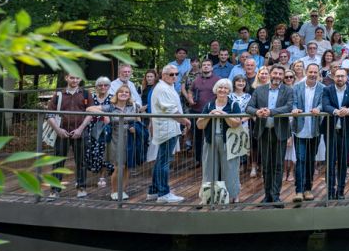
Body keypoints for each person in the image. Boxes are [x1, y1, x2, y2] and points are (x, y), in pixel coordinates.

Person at [247, 64, 294, 204]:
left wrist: (271, 112)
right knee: (266, 165)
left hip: (280, 132)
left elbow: (289, 107)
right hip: (264, 132)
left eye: (280, 74)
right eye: (275, 73)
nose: (277, 76)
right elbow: (248, 107)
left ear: (283, 76)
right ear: (270, 74)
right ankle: (267, 195)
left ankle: (276, 195)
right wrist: (257, 112)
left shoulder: (288, 90)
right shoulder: (259, 90)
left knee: (278, 165)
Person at [147, 63, 191, 204]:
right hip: (166, 129)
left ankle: (154, 191)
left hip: (168, 128)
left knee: (161, 160)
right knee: (164, 162)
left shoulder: (167, 87)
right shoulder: (162, 89)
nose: (174, 77)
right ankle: (163, 193)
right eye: (171, 74)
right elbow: (171, 110)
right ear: (163, 75)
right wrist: (186, 121)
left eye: (176, 74)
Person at [197, 78, 244, 203]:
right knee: (208, 169)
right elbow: (199, 124)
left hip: (228, 141)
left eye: (225, 88)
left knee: (230, 169)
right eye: (220, 87)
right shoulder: (209, 105)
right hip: (210, 140)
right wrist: (210, 115)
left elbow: (237, 123)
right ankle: (208, 196)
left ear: (229, 90)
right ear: (216, 89)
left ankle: (232, 195)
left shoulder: (233, 105)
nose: (222, 90)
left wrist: (224, 115)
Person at [91, 83, 140, 200]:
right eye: (121, 92)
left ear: (129, 95)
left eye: (126, 92)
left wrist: (136, 128)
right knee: (119, 167)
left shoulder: (134, 106)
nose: (124, 94)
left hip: (130, 139)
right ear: (117, 94)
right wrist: (105, 115)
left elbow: (139, 121)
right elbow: (90, 108)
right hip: (116, 139)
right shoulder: (111, 107)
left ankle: (122, 191)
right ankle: (114, 191)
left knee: (128, 166)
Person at [47, 73, 92, 199]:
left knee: (82, 161)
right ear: (66, 78)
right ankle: (54, 190)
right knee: (58, 162)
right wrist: (58, 130)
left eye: (77, 78)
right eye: (72, 77)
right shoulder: (58, 95)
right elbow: (49, 115)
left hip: (80, 132)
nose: (75, 80)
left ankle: (81, 187)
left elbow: (90, 113)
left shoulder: (86, 94)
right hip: (62, 133)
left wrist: (81, 129)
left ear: (80, 79)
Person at [290, 64, 326, 202]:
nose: (312, 74)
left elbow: (324, 103)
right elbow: (293, 102)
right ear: (306, 72)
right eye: (310, 71)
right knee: (300, 160)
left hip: (314, 130)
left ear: (318, 73)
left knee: (311, 161)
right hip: (300, 129)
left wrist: (319, 108)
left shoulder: (322, 88)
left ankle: (308, 189)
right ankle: (298, 190)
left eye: (315, 72)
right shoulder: (297, 87)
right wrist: (294, 109)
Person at [321, 68, 349, 200]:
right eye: (337, 76)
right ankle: (330, 191)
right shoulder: (327, 89)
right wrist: (336, 111)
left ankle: (340, 191)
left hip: (345, 130)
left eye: (342, 76)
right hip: (330, 130)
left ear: (347, 77)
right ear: (334, 77)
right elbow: (325, 105)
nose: (340, 79)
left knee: (343, 162)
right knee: (330, 161)